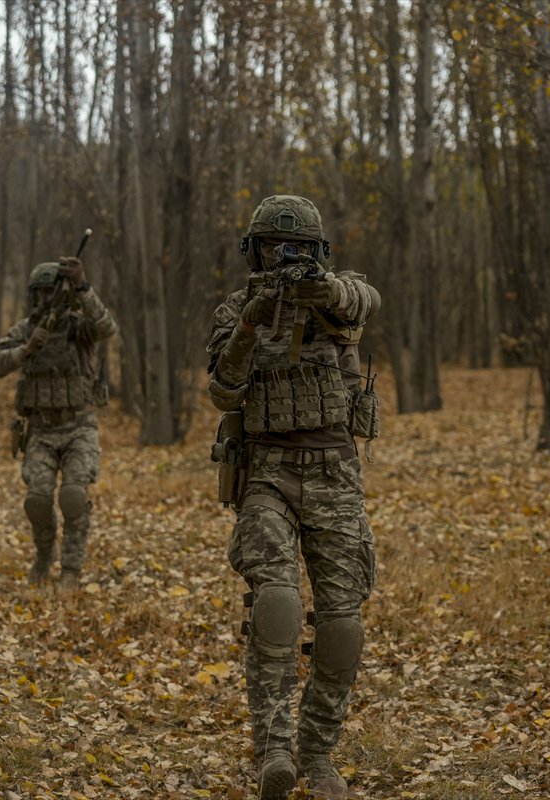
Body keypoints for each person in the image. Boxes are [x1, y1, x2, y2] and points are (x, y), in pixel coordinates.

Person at [206, 195, 381, 799]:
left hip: (334, 471)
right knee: (276, 606)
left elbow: (365, 300)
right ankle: (274, 750)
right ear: (255, 251)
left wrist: (323, 291)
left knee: (342, 624)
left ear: (319, 252)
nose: (289, 259)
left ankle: (319, 752)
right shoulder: (237, 310)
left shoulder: (340, 296)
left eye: (300, 249)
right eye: (279, 249)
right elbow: (223, 393)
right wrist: (254, 321)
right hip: (269, 472)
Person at [0, 257, 117, 588]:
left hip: (78, 428)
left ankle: (71, 570)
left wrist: (83, 286)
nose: (47, 300)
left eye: (53, 292)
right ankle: (44, 556)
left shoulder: (78, 327)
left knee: (74, 496)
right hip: (42, 431)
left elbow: (107, 327)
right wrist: (27, 349)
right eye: (41, 294)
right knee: (38, 499)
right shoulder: (25, 330)